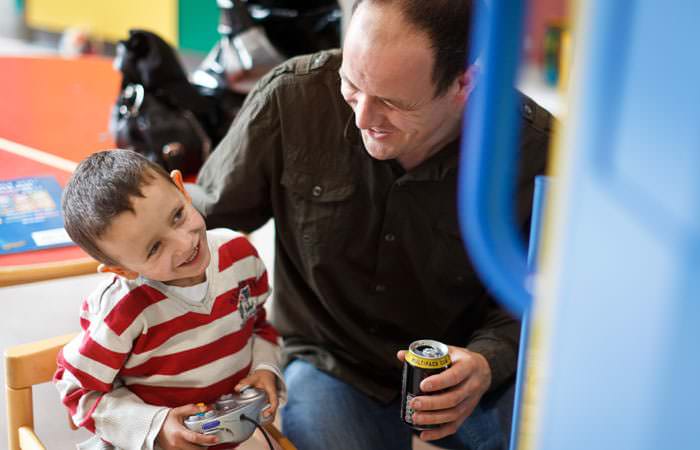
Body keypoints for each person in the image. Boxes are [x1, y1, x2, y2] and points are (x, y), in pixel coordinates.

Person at [188, 0, 552, 448]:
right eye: (351, 83)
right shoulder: (292, 98)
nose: (362, 118)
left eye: (392, 103)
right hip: (332, 360)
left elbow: (544, 293)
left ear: (466, 81)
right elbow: (198, 225)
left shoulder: (535, 152)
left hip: (467, 364)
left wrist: (486, 361)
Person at [54, 149, 284, 450]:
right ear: (123, 270)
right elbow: (76, 391)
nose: (185, 243)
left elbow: (257, 326)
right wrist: (156, 426)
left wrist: (265, 368)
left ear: (181, 189)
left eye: (177, 216)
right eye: (153, 248)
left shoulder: (239, 255)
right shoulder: (122, 312)